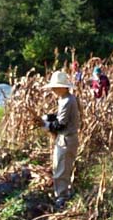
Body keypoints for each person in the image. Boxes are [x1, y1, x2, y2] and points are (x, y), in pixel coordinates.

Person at [37, 71, 80, 209]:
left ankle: (62, 198)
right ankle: (65, 192)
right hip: (65, 138)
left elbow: (60, 124)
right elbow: (58, 116)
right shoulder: (64, 99)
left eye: (55, 87)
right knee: (60, 167)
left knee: (61, 169)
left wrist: (45, 125)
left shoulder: (68, 101)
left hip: (66, 139)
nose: (53, 90)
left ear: (63, 87)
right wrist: (47, 117)